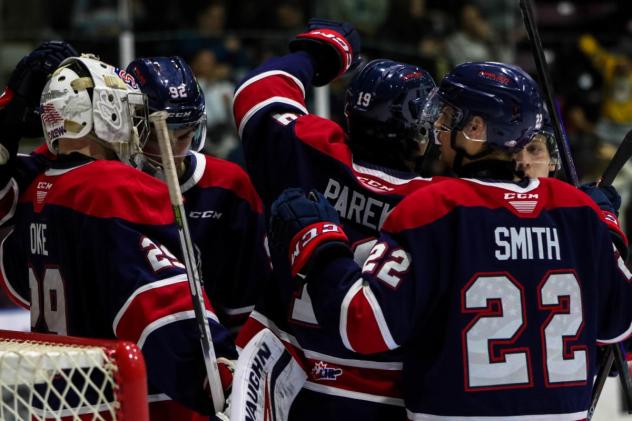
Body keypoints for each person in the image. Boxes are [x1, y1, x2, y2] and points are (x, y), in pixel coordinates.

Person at [267, 61, 632, 419]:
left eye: (446, 117)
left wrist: (319, 243)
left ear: (475, 128)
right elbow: (618, 324)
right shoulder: (577, 211)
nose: (437, 129)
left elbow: (363, 326)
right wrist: (606, 231)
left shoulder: (432, 209)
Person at [0, 53, 235, 418]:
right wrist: (221, 376)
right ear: (106, 112)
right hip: (130, 402)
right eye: (128, 111)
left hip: (57, 403)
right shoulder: (112, 186)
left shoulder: (38, 191)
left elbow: (15, 280)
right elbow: (159, 307)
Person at [232, 18, 436, 420]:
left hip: (288, 382)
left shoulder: (307, 150)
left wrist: (317, 53)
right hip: (393, 394)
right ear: (420, 133)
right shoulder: (440, 204)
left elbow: (256, 93)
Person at [125, 56, 268, 333]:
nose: (174, 149)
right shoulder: (111, 187)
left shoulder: (228, 185)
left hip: (216, 347)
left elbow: (248, 293)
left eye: (185, 134)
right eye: (160, 135)